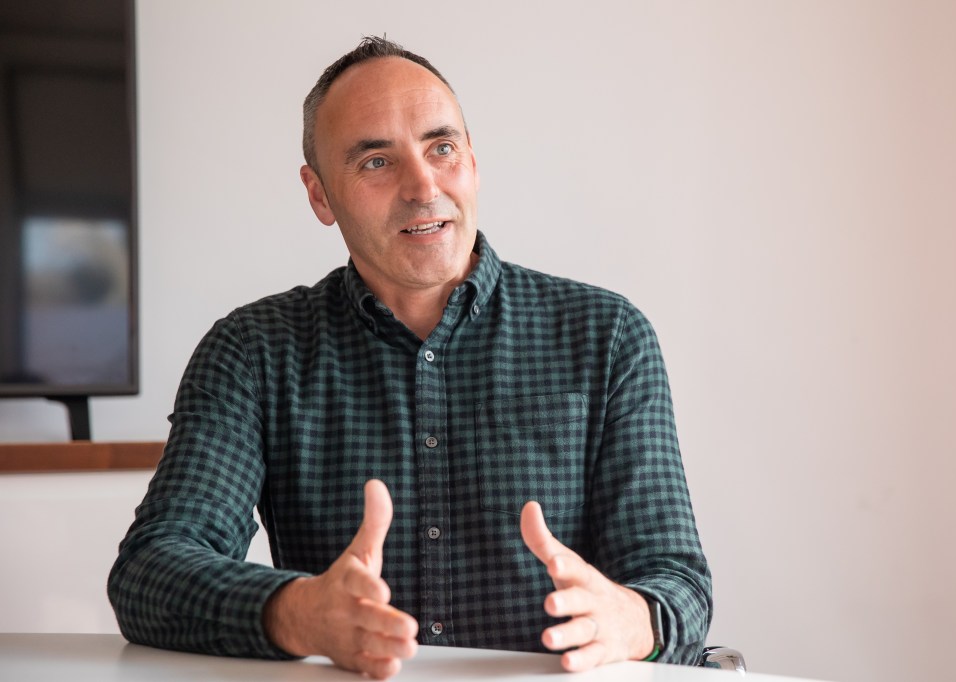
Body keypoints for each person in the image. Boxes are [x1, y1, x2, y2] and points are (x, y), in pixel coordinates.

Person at [108, 36, 712, 680]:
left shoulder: (607, 335)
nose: (423, 187)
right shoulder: (253, 353)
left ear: (472, 160)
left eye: (441, 148)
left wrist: (629, 619)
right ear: (320, 195)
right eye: (376, 161)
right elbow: (151, 570)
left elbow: (678, 585)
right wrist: (299, 613)